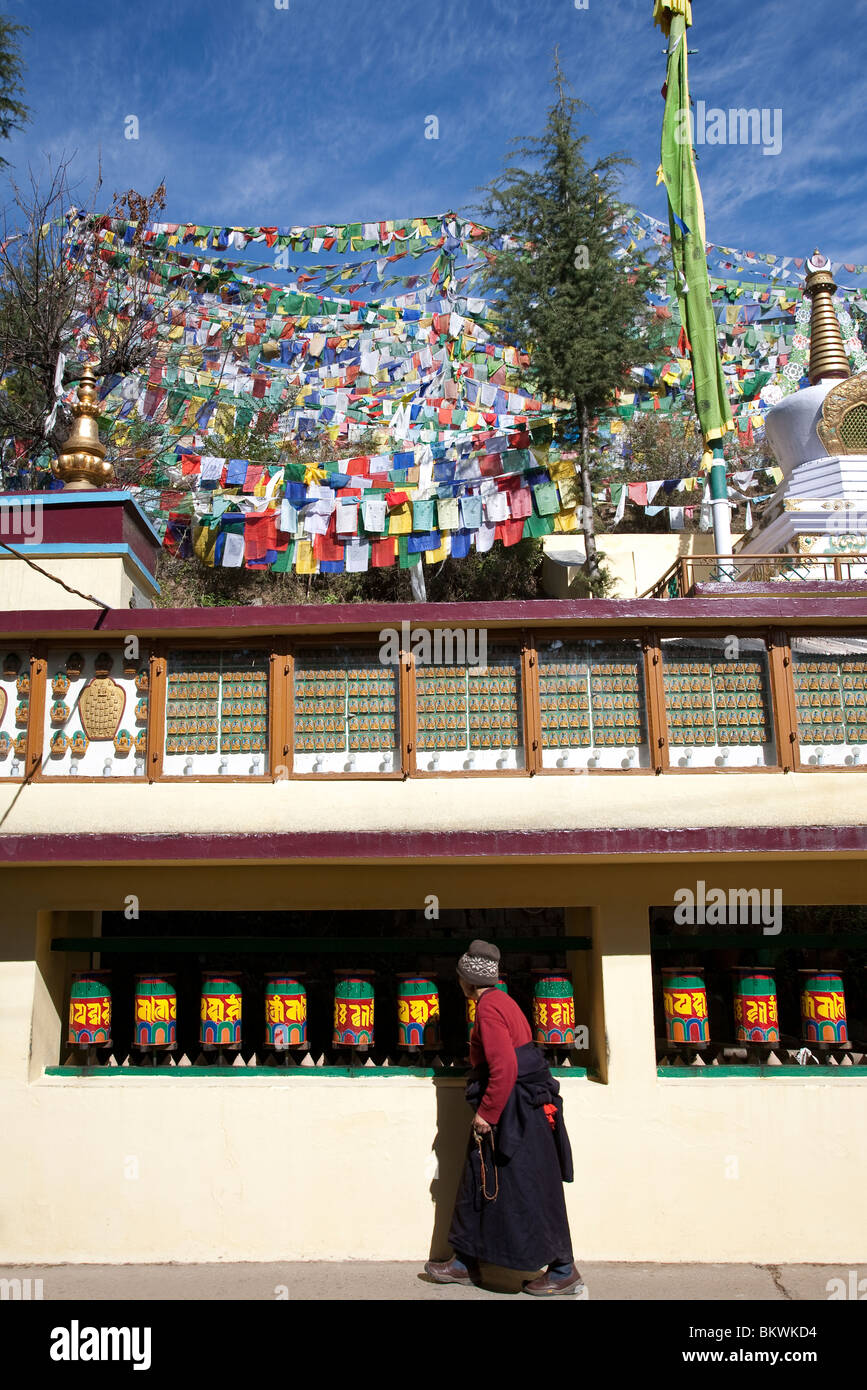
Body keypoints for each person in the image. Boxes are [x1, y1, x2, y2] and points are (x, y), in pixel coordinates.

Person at [425, 940, 584, 1296]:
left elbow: (505, 1066)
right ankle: (465, 1261)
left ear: (467, 979)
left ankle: (563, 1269)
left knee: (529, 1187)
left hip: (515, 1113)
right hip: (522, 1107)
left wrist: (487, 1112)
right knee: (481, 1181)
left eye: (459, 976)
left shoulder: (488, 1009)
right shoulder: (503, 1001)